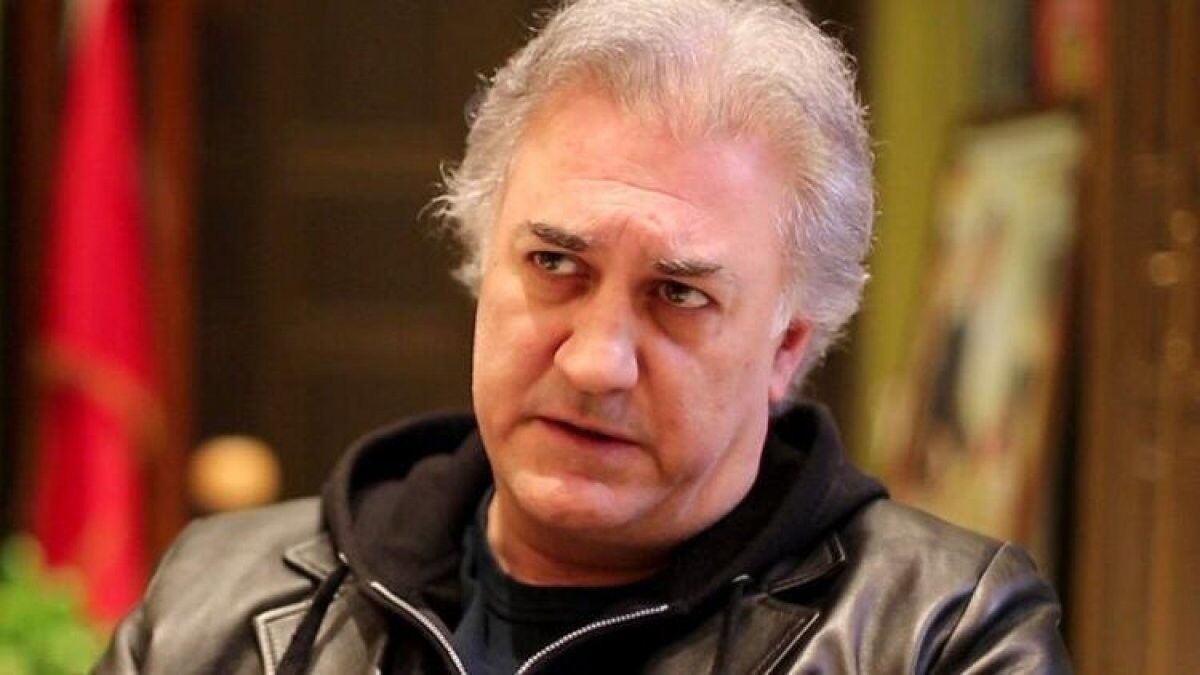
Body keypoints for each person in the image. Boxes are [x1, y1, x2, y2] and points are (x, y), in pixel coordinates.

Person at [97, 1, 1071, 673]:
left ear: (787, 348)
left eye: (678, 294)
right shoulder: (213, 603)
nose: (596, 362)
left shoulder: (944, 636)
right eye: (555, 264)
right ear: (482, 262)